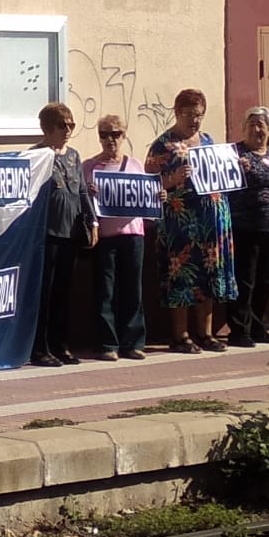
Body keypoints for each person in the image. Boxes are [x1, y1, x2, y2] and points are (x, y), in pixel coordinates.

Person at [144, 89, 237, 354]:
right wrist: (172, 179)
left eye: (198, 115)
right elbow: (148, 185)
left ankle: (205, 333)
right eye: (188, 115)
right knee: (182, 276)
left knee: (208, 275)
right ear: (176, 112)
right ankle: (180, 335)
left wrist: (233, 169)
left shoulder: (208, 140)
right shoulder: (163, 145)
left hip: (211, 222)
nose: (194, 121)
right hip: (180, 224)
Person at [29, 103, 90, 366]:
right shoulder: (36, 156)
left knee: (64, 293)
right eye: (62, 125)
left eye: (71, 125)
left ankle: (61, 344)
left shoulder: (74, 156)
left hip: (71, 232)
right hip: (48, 234)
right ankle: (40, 348)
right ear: (47, 128)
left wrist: (93, 222)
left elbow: (83, 191)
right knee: (46, 292)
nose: (67, 130)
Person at [82, 114, 146, 360]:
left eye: (116, 134)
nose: (110, 139)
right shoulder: (89, 167)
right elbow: (81, 200)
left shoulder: (135, 165)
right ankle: (108, 343)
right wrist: (89, 193)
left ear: (124, 135)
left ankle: (134, 342)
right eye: (104, 134)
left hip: (133, 235)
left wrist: (156, 197)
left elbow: (147, 197)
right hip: (105, 236)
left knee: (133, 290)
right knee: (105, 291)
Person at [226, 106, 269, 348]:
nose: (256, 129)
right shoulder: (235, 153)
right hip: (246, 227)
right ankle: (239, 330)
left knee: (265, 280)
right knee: (245, 280)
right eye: (251, 124)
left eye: (261, 124)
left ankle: (260, 326)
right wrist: (237, 168)